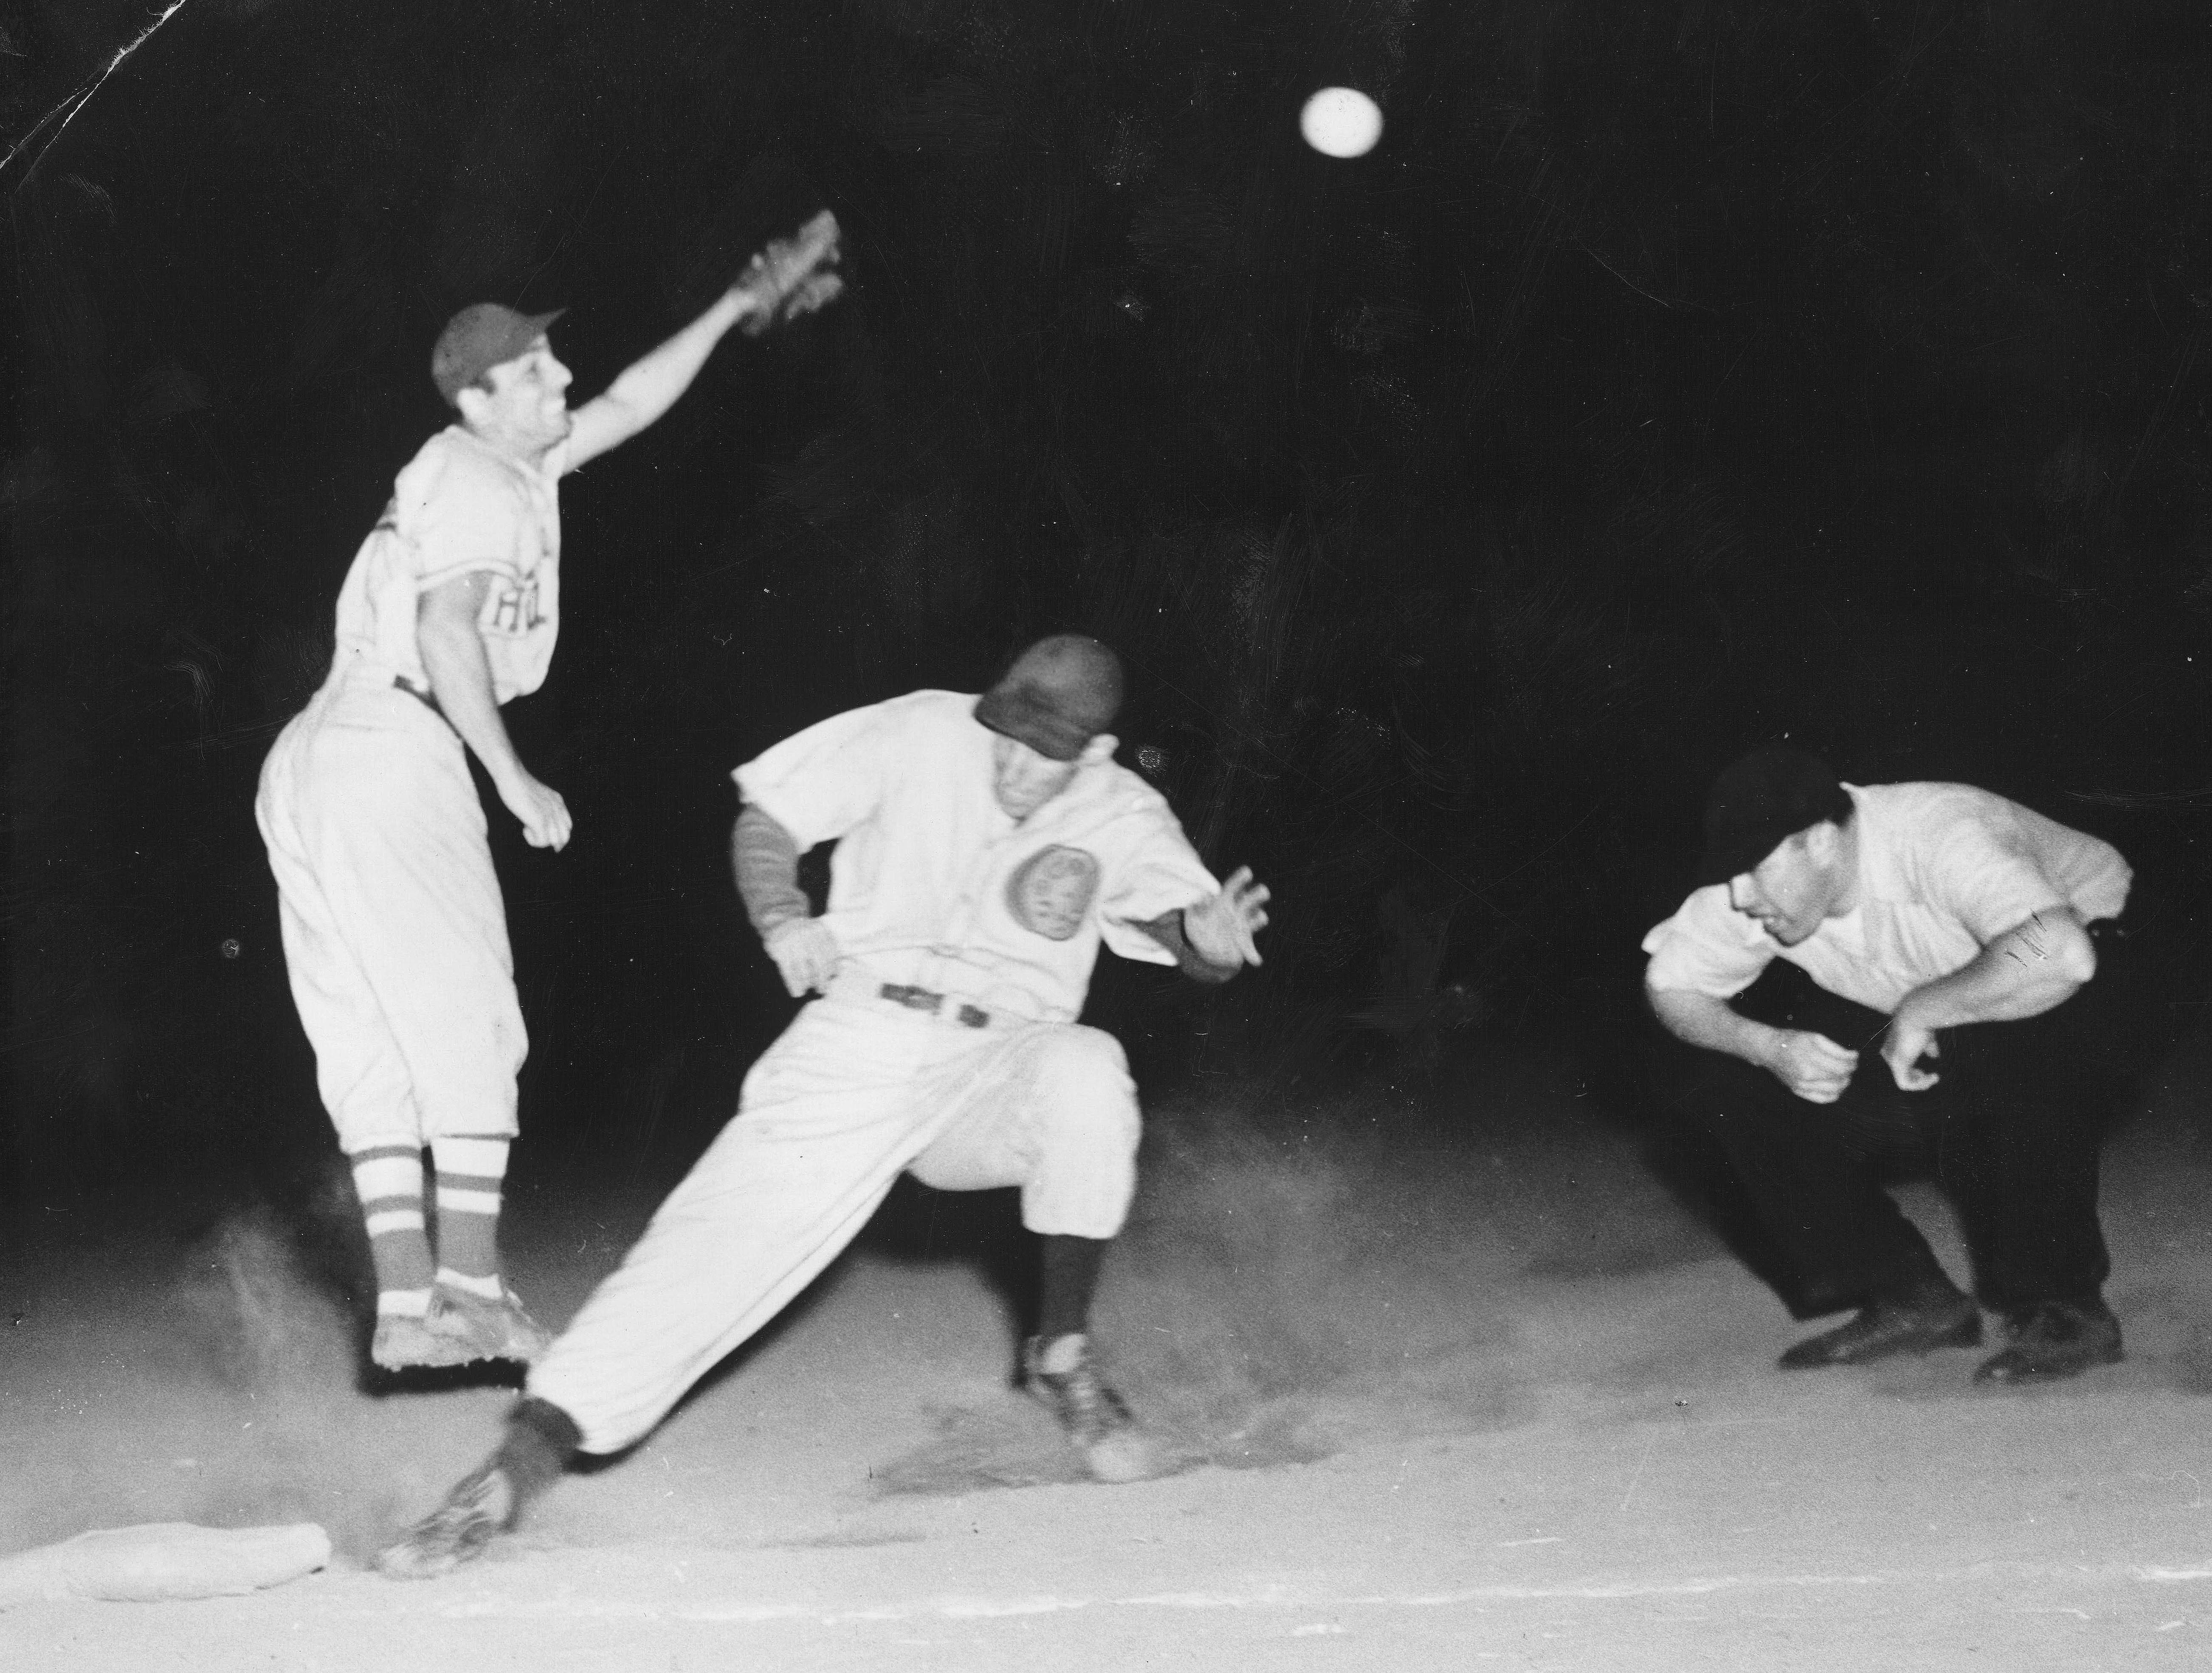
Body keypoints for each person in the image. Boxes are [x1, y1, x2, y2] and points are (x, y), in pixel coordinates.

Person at [375, 634, 1273, 1579]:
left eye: (1041, 753)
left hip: (1002, 1060)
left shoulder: (1123, 808)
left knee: (1088, 1070)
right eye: (1005, 737)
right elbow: (769, 816)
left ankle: (1062, 1354)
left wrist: (1207, 942)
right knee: (709, 1243)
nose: (1012, 764)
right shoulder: (922, 728)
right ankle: (510, 1475)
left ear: (1095, 751)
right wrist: (783, 915)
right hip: (864, 1036)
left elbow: (1186, 934)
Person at [254, 214, 844, 1372]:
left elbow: (626, 400)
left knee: (372, 1037)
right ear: (478, 400)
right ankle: (471, 1294)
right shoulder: (478, 476)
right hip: (397, 741)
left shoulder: (504, 465)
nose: (561, 376)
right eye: (532, 370)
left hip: (319, 758)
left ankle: (409, 1308)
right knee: (474, 1016)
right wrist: (513, 776)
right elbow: (446, 629)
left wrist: (736, 305)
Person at [1643, 746, 2137, 1385]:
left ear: (1821, 841)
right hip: (1938, 1002)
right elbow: (1672, 988)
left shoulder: (1938, 831)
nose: (1739, 896)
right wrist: (1769, 1047)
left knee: (2016, 1045)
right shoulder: (1753, 890)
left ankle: (2066, 1308)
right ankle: (1910, 1298)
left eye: (1751, 871)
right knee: (1726, 1083)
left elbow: (2061, 954)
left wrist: (1926, 1008)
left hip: (2100, 963)